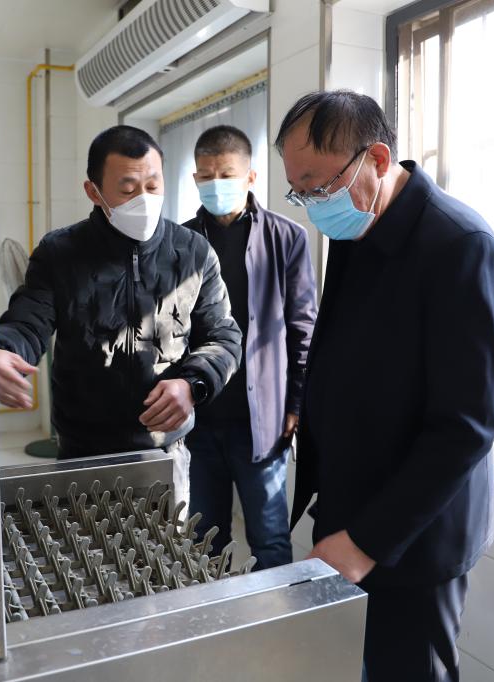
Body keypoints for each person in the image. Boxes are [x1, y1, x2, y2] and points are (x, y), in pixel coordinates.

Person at [276, 90, 494, 681]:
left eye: (317, 187)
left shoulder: (459, 247)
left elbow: (465, 427)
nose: (311, 206)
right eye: (298, 191)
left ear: (377, 160)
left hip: (413, 535)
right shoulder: (361, 227)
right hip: (353, 510)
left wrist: (367, 541)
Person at [0, 126, 242, 510]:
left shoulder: (193, 252)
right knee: (82, 544)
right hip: (83, 453)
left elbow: (223, 336)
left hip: (164, 451)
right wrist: (2, 349)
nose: (144, 199)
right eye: (127, 189)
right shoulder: (61, 253)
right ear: (94, 192)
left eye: (153, 185)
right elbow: (27, 321)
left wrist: (192, 384)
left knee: (164, 546)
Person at [181, 125, 316, 569]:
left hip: (263, 423)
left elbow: (303, 330)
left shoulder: (286, 238)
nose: (215, 184)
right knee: (202, 542)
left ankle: (276, 615)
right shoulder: (181, 241)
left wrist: (296, 404)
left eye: (226, 174)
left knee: (270, 539)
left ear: (251, 177)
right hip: (199, 420)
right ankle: (208, 613)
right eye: (205, 176)